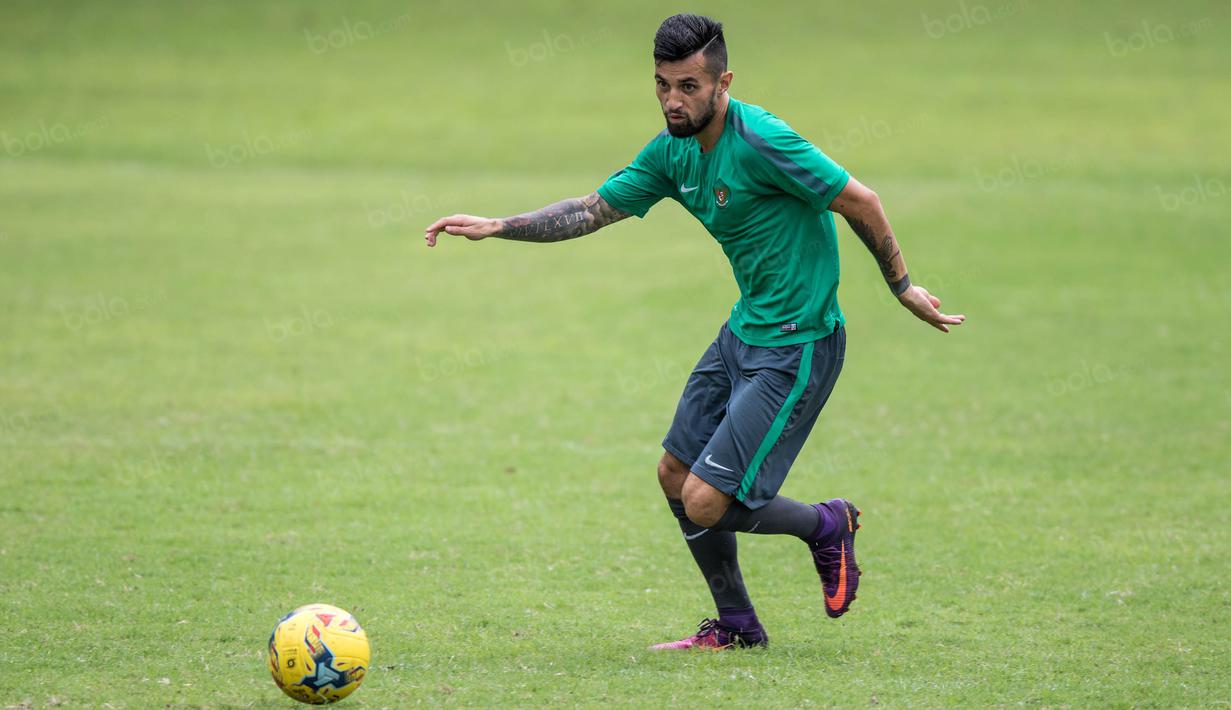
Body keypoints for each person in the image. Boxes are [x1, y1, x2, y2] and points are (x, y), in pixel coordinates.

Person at [424, 13, 965, 650]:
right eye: (662, 85)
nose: (672, 101)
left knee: (705, 500)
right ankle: (737, 626)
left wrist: (902, 286)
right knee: (673, 475)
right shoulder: (671, 151)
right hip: (744, 333)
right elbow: (592, 210)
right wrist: (500, 226)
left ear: (723, 82)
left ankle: (826, 525)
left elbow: (860, 200)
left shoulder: (763, 140)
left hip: (799, 344)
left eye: (688, 86)